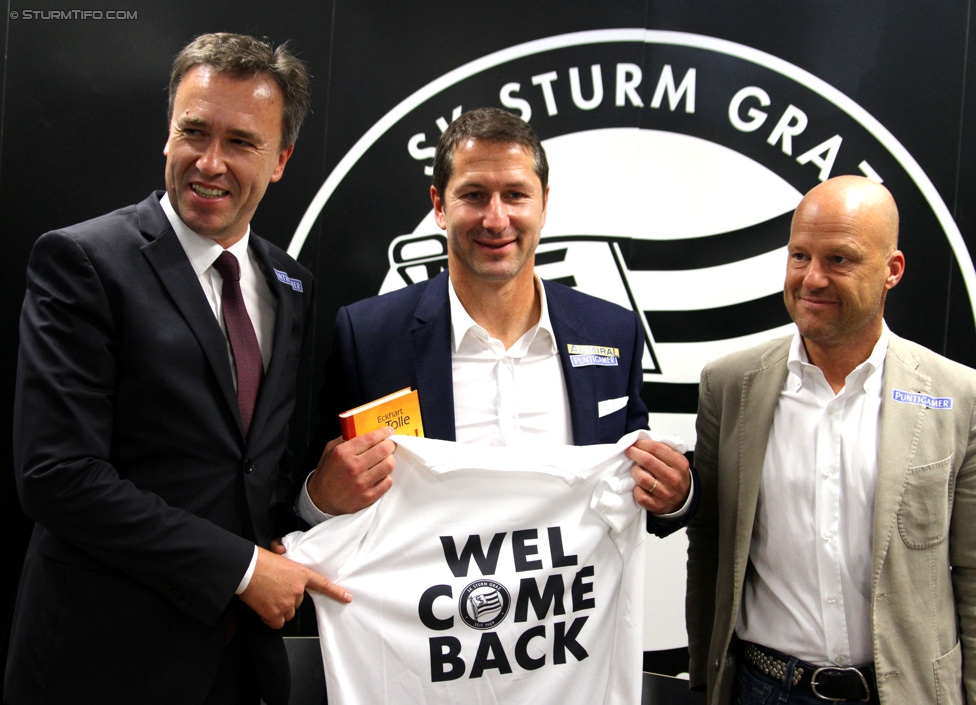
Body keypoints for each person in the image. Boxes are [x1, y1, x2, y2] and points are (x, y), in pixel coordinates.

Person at [7, 33, 349, 705]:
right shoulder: (82, 261)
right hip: (100, 662)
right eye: (193, 132)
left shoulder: (292, 284)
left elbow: (258, 473)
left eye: (242, 142)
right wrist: (244, 568)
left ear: (280, 160)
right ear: (168, 134)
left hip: (236, 668)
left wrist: (315, 500)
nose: (209, 162)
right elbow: (57, 476)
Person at [298, 107, 695, 536]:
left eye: (515, 195)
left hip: (569, 602)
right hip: (423, 602)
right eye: (473, 195)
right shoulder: (369, 336)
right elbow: (314, 497)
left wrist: (676, 496)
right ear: (439, 205)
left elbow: (640, 491)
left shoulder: (613, 332)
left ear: (544, 204)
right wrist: (320, 498)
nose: (496, 219)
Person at [686, 175, 976, 704]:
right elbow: (707, 548)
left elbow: (974, 575)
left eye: (839, 259)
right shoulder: (730, 386)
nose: (811, 279)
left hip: (906, 692)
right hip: (761, 688)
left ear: (892, 270)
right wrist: (706, 683)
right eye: (800, 256)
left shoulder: (958, 396)